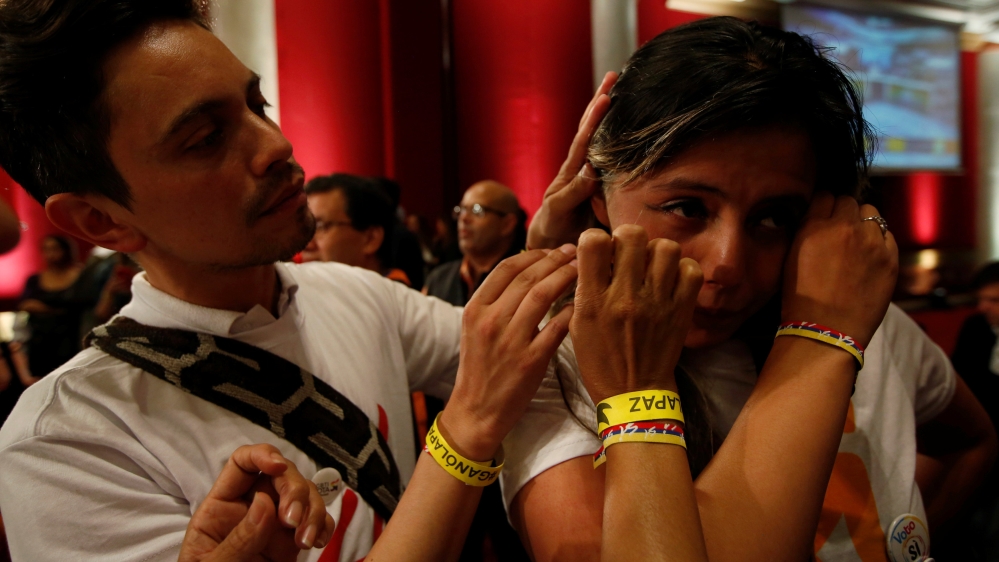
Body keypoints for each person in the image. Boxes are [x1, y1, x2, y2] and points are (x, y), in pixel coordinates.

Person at [0, 1, 500, 559]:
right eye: (205, 138)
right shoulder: (69, 442)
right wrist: (468, 430)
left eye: (256, 104)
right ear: (102, 220)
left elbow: (528, 358)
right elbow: (494, 380)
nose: (275, 145)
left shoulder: (356, 293)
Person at [508, 17, 995, 561]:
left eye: (773, 218)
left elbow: (970, 442)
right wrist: (820, 341)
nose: (726, 265)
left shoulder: (870, 325)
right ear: (597, 195)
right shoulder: (554, 368)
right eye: (687, 208)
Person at [937, 261, 999, 559]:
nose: (984, 307)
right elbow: (956, 381)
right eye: (981, 299)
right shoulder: (975, 329)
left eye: (995, 300)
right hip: (978, 433)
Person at [424, 180, 527, 307]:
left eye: (477, 210)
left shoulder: (523, 278)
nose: (464, 218)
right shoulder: (439, 279)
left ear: (507, 224)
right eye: (461, 210)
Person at [300, 173, 410, 285]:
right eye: (303, 228)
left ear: (370, 238)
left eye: (320, 227)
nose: (306, 245)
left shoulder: (394, 300)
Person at [18, 234, 92, 377]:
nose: (51, 254)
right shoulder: (35, 279)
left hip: (73, 338)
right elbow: (25, 304)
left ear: (66, 250)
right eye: (46, 249)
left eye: (55, 249)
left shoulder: (81, 275)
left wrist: (46, 309)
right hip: (41, 340)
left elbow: (83, 304)